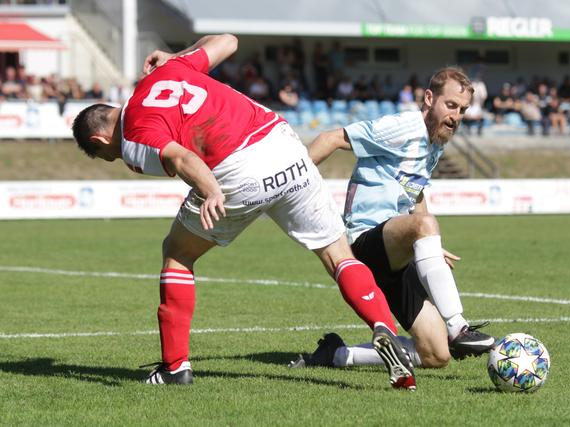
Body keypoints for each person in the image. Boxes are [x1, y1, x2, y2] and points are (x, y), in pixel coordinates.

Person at [71, 34, 416, 390]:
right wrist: (179, 54)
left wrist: (210, 190)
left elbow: (182, 158)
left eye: (106, 155)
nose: (117, 159)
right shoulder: (166, 71)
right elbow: (229, 41)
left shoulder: (133, 135)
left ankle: (175, 368)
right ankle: (383, 328)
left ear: (99, 140)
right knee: (337, 254)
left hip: (238, 169)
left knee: (176, 254)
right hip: (284, 145)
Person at [289, 67, 495, 372]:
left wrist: (428, 243)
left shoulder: (435, 142)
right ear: (429, 98)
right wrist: (290, 182)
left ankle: (337, 355)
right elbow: (331, 138)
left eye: (462, 110)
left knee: (436, 355)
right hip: (365, 241)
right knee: (425, 225)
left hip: (396, 256)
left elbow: (416, 193)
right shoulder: (403, 127)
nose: (456, 115)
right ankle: (458, 327)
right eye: (451, 105)